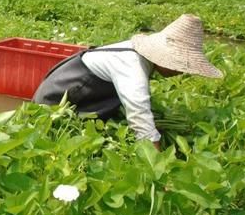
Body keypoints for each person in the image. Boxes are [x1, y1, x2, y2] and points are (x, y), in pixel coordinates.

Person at [32, 14, 223, 150]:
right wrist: (158, 166)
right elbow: (140, 119)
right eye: (179, 65)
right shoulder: (132, 68)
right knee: (65, 138)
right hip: (55, 103)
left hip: (79, 89)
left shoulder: (137, 55)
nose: (180, 72)